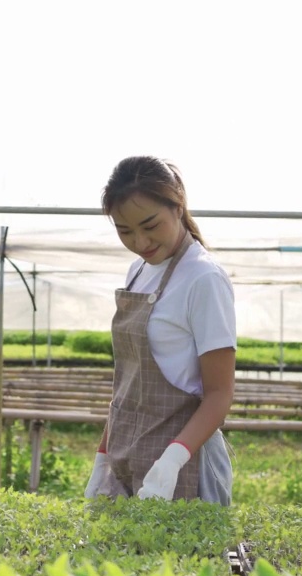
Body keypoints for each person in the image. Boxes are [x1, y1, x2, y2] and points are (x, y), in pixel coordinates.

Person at [83, 156, 236, 504]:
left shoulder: (203, 279)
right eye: (125, 231)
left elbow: (219, 394)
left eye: (150, 225)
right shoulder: (137, 271)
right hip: (126, 453)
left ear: (178, 205)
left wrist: (172, 461)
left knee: (181, 558)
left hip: (183, 463)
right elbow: (127, 384)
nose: (140, 241)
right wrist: (103, 456)